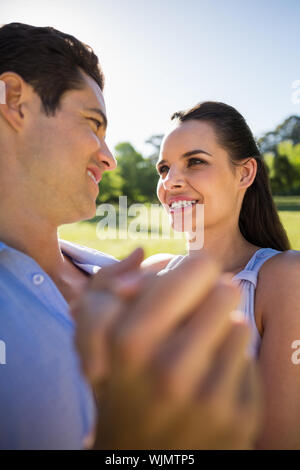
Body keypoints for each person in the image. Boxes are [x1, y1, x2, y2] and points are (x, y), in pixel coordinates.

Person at [0, 22, 260, 449]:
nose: (109, 159)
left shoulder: (127, 281)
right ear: (14, 100)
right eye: (92, 123)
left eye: (195, 162)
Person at [148, 101, 300, 449]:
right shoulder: (150, 274)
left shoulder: (283, 278)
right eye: (164, 168)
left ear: (245, 173)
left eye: (195, 162)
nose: (171, 182)